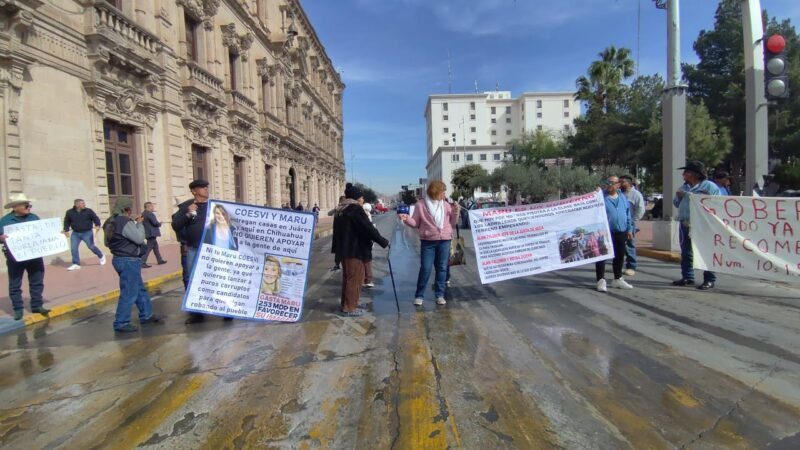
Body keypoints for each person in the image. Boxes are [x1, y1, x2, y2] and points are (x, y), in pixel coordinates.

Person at [173, 179, 230, 324]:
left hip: (215, 250)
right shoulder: (187, 206)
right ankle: (197, 313)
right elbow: (176, 225)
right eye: (202, 187)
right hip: (195, 249)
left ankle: (226, 309)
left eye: (206, 187)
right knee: (195, 281)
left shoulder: (216, 206)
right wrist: (188, 214)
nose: (206, 189)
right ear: (194, 191)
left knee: (220, 279)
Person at [399, 180, 460, 306]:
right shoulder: (420, 205)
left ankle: (440, 295)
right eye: (443, 191)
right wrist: (406, 219)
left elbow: (453, 223)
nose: (444, 194)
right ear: (436, 191)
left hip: (445, 240)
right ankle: (419, 295)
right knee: (426, 268)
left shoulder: (446, 205)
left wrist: (456, 211)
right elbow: (415, 223)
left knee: (442, 268)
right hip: (428, 241)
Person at [332, 183, 389, 316]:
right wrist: (383, 241)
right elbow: (368, 228)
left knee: (348, 278)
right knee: (355, 279)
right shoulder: (355, 209)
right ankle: (350, 308)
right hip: (354, 249)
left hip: (343, 249)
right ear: (357, 198)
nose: (363, 199)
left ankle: (346, 305)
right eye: (362, 197)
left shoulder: (341, 209)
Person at [107, 198, 162, 332]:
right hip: (128, 259)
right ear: (127, 209)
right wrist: (139, 224)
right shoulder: (124, 221)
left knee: (139, 288)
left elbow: (106, 242)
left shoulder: (109, 222)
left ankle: (146, 314)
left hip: (118, 257)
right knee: (129, 292)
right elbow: (138, 238)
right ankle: (121, 322)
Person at [0, 194, 50, 321]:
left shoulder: (34, 217)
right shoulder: (5, 221)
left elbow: (43, 232)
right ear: (15, 207)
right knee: (15, 283)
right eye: (26, 205)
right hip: (15, 257)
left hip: (34, 256)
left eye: (29, 205)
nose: (29, 207)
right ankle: (18, 309)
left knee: (37, 281)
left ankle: (37, 305)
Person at [672, 161, 720, 290]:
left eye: (686, 172)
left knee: (706, 252)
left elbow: (715, 203)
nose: (683, 174)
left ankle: (709, 279)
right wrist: (678, 197)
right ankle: (688, 277)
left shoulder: (709, 186)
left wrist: (687, 195)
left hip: (702, 224)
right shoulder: (684, 186)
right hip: (685, 222)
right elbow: (676, 204)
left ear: (694, 174)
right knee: (686, 252)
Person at [596, 176, 634, 292]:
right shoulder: (600, 196)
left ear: (618, 185)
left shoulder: (622, 197)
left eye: (612, 183)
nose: (609, 185)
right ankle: (600, 280)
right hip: (606, 232)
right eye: (607, 182)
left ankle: (618, 279)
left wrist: (629, 229)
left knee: (619, 256)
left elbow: (627, 213)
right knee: (602, 256)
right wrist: (596, 193)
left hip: (621, 231)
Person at [63, 198, 105, 271]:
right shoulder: (69, 212)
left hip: (87, 232)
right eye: (82, 203)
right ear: (77, 205)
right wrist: (66, 230)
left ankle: (101, 256)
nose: (84, 204)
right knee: (73, 248)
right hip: (75, 233)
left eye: (84, 203)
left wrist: (98, 224)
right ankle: (76, 264)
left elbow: (95, 218)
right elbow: (66, 222)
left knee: (91, 246)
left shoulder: (89, 211)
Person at [619, 175, 644, 276]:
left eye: (622, 182)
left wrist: (633, 221)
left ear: (629, 183)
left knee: (629, 245)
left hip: (630, 224)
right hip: (619, 224)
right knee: (619, 246)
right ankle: (618, 266)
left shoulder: (636, 194)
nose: (620, 184)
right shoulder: (619, 193)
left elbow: (641, 209)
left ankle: (631, 267)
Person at [141, 202, 167, 268]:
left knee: (155, 248)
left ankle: (159, 260)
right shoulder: (150, 214)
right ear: (149, 207)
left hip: (148, 233)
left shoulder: (143, 213)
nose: (153, 208)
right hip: (152, 233)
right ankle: (142, 262)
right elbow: (155, 223)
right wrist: (160, 223)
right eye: (152, 206)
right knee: (148, 248)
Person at [328, 196, 346, 271]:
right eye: (341, 201)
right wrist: (335, 209)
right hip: (337, 232)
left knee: (344, 249)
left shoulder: (347, 209)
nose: (342, 203)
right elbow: (329, 214)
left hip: (345, 232)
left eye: (343, 201)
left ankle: (344, 264)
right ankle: (337, 264)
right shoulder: (337, 209)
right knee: (338, 249)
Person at [362, 202, 375, 288]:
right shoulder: (367, 215)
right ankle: (367, 279)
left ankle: (367, 279)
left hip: (365, 241)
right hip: (367, 241)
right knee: (366, 261)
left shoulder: (365, 215)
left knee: (365, 261)